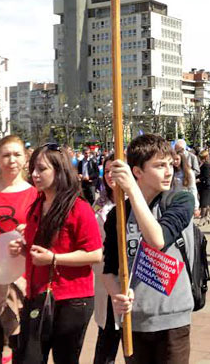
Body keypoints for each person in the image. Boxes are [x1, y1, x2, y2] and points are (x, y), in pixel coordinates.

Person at [102, 134, 195, 364]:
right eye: (159, 166)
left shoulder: (180, 200)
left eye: (169, 164)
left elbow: (157, 240)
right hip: (134, 321)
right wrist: (117, 294)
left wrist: (131, 190)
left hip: (173, 319)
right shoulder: (118, 215)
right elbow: (109, 269)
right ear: (138, 171)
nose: (168, 172)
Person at [9, 143, 102, 363]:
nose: (34, 174)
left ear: (59, 171)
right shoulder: (37, 205)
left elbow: (95, 254)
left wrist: (53, 259)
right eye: (33, 168)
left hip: (71, 300)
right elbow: (39, 250)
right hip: (37, 295)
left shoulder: (78, 208)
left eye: (42, 169)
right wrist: (24, 250)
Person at [0, 136, 38, 364]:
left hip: (25, 280)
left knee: (24, 347)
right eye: (6, 155)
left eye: (16, 154)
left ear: (25, 158)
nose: (11, 160)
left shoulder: (36, 194)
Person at [92, 154, 121, 364]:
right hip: (106, 277)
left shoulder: (136, 201)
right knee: (107, 335)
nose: (110, 175)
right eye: (107, 171)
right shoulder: (99, 203)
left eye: (115, 170)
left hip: (131, 278)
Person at [196, 150, 210, 226]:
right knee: (205, 202)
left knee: (204, 202)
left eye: (202, 157)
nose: (200, 159)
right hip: (204, 185)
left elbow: (206, 176)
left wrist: (198, 179)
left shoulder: (206, 165)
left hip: (206, 185)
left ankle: (202, 218)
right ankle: (206, 217)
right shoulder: (203, 164)